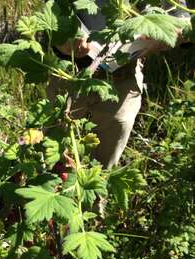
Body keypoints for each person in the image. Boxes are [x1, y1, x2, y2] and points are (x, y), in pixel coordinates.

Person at [50, 0, 190, 169]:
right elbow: (51, 10)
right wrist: (60, 40)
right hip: (67, 76)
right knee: (53, 155)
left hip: (122, 82)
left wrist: (165, 35)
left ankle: (95, 192)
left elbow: (182, 22)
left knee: (103, 167)